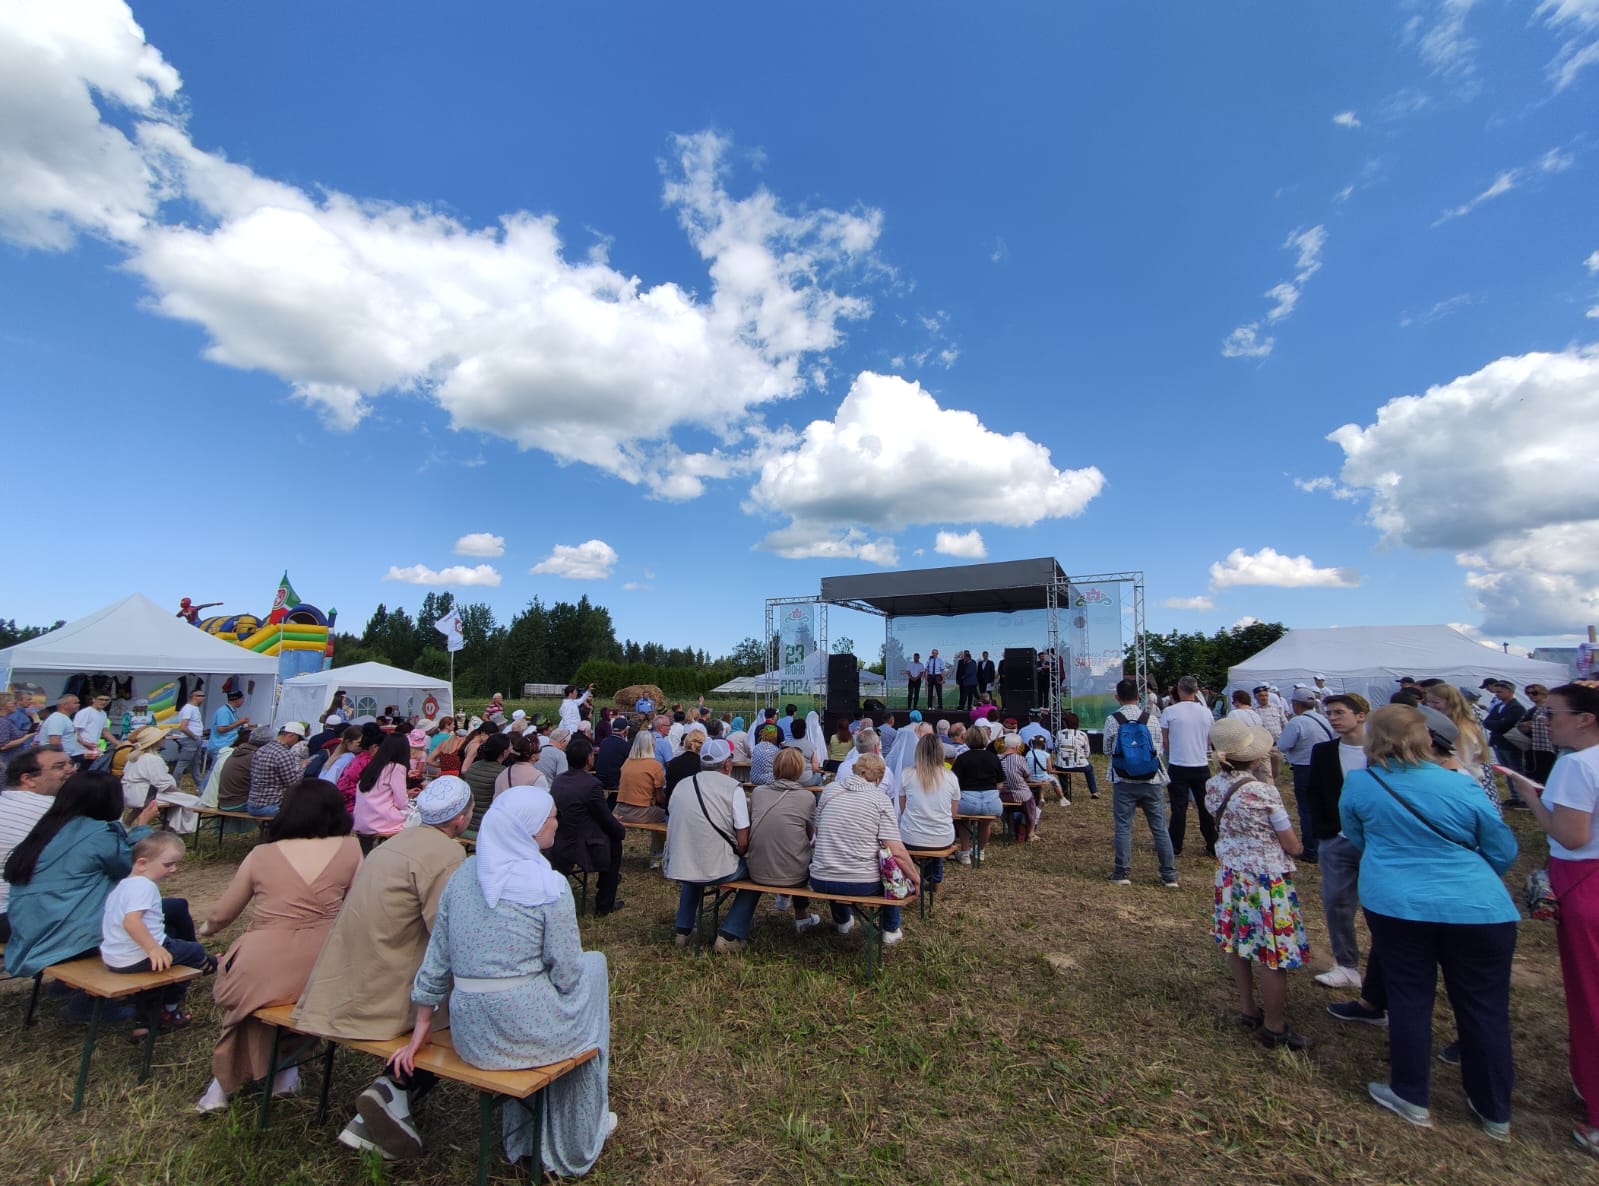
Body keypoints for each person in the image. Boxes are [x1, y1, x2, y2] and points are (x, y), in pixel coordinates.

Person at [391, 786, 614, 1173]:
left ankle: (525, 1134)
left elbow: (437, 958)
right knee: (594, 970)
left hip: (472, 1035)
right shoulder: (549, 887)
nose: (556, 824)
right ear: (528, 830)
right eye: (551, 818)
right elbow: (566, 972)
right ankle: (581, 1125)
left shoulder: (463, 876)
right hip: (527, 1029)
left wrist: (421, 1028)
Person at [1340, 705, 1518, 1136]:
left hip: (1398, 903)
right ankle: (1494, 1108)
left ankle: (1411, 1093)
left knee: (1409, 997)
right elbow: (1502, 848)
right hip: (1477, 906)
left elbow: (1358, 836)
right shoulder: (1462, 784)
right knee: (1485, 1007)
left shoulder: (1362, 784)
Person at [294, 776, 472, 1160]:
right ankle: (395, 1091)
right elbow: (447, 933)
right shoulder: (446, 856)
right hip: (388, 988)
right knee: (468, 1014)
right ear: (460, 820)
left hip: (345, 978)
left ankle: (390, 1097)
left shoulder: (392, 845)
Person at [195, 779, 361, 1113]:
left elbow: (223, 913)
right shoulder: (351, 850)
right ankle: (284, 1070)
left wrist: (207, 927)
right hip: (322, 964)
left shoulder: (262, 854)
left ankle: (223, 1083)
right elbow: (359, 908)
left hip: (262, 959)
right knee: (286, 1000)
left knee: (251, 1002)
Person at [1500, 683, 1599, 1153]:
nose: (1546, 721)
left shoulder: (1577, 765)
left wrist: (1530, 795)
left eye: (1553, 713)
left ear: (1585, 719)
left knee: (1590, 996)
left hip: (1584, 882)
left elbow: (1571, 836)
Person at [1205, 719, 1310, 1050]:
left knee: (1237, 941)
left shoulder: (1214, 787)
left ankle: (1248, 1008)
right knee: (1273, 951)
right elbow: (1292, 844)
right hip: (1266, 880)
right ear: (1254, 756)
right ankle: (1274, 1025)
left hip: (1230, 874)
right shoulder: (1264, 793)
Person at [4, 772, 162, 979]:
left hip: (30, 933)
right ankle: (158, 1000)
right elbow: (133, 869)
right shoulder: (97, 833)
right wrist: (141, 828)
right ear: (108, 800)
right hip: (69, 938)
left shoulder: (49, 827)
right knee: (161, 918)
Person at [99, 833, 213, 1031]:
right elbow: (131, 922)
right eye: (168, 865)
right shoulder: (144, 886)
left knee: (171, 956)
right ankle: (170, 1008)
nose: (173, 870)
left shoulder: (122, 886)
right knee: (194, 952)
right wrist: (153, 948)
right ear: (142, 863)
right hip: (137, 956)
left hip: (114, 958)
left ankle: (144, 1019)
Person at [809, 753, 919, 945]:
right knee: (890, 872)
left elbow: (818, 831)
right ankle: (890, 929)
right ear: (879, 778)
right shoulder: (880, 799)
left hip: (821, 878)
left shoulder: (829, 790)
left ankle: (842, 920)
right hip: (862, 882)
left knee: (836, 855)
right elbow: (896, 850)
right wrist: (915, 878)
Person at [665, 739, 751, 950]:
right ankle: (730, 935)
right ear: (727, 764)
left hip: (680, 864)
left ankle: (683, 930)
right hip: (720, 868)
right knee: (758, 877)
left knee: (694, 867)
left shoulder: (681, 786)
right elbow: (742, 841)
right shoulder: (733, 789)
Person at [732, 747, 821, 936]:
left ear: (775, 767)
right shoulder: (807, 797)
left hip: (757, 869)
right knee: (798, 851)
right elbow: (810, 834)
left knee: (786, 844)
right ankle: (801, 916)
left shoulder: (758, 793)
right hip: (794, 874)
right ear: (799, 769)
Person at [1106, 679, 1178, 889]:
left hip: (1123, 779)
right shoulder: (1151, 719)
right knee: (1159, 828)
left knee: (1123, 827)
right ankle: (1169, 875)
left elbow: (1108, 749)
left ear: (1117, 697)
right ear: (1139, 697)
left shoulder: (1113, 719)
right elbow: (1159, 749)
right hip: (1151, 778)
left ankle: (1121, 872)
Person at [0, 749, 76, 942]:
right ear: (28, 779)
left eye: (71, 764)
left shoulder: (5, 802)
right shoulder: (54, 811)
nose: (71, 770)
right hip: (17, 916)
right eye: (59, 766)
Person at [549, 734, 625, 917]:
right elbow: (604, 817)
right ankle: (604, 903)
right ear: (588, 758)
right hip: (581, 844)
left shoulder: (558, 780)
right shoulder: (592, 785)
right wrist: (619, 830)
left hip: (559, 840)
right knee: (615, 844)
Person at [1276, 687, 1335, 863]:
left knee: (1307, 809)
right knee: (1323, 806)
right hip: (1324, 767)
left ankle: (1310, 850)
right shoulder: (1323, 719)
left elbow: (1283, 745)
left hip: (1304, 767)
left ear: (1296, 704)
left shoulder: (1297, 722)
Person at [1161, 676, 1217, 859]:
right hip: (1201, 764)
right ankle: (1212, 842)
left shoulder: (1170, 712)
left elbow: (1166, 739)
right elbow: (1210, 738)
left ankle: (1175, 845)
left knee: (1179, 808)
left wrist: (1175, 751)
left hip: (1178, 764)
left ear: (1179, 689)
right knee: (1205, 807)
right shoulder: (1206, 712)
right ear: (1196, 690)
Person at [898, 733, 959, 891]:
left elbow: (903, 808)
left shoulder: (906, 774)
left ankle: (908, 878)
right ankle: (934, 879)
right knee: (935, 839)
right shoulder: (951, 777)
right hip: (942, 837)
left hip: (910, 836)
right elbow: (953, 814)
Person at [951, 725, 1004, 866]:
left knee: (963, 821)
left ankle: (965, 852)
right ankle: (980, 851)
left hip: (968, 801)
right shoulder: (994, 758)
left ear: (967, 739)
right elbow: (1000, 784)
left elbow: (954, 783)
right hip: (991, 801)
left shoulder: (962, 759)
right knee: (986, 822)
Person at [614, 727, 667, 866]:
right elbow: (660, 798)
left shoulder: (627, 763)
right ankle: (657, 855)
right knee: (667, 817)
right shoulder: (655, 765)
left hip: (621, 810)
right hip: (641, 812)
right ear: (652, 745)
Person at [355, 733, 412, 854]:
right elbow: (401, 802)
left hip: (360, 821)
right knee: (415, 822)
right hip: (381, 821)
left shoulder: (373, 765)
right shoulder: (396, 768)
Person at [248, 722, 305, 818]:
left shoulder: (261, 749)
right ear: (291, 735)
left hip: (252, 805)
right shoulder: (284, 753)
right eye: (298, 739)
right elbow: (293, 783)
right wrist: (302, 767)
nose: (297, 742)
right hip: (272, 806)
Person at [1482, 680, 1527, 803]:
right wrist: (1497, 723)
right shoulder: (1498, 706)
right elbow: (1487, 722)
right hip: (1499, 742)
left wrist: (1496, 723)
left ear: (1510, 691)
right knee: (1507, 771)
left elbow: (1505, 724)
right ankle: (1515, 796)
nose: (1497, 694)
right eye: (1496, 692)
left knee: (1516, 771)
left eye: (1500, 692)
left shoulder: (1516, 708)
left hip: (1510, 744)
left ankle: (1522, 798)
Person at [464, 733, 512, 830]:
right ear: (504, 752)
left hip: (466, 821)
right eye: (510, 746)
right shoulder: (503, 772)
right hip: (484, 824)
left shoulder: (474, 766)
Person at [999, 734, 1040, 842]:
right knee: (1031, 802)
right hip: (1019, 795)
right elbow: (1028, 776)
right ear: (1017, 746)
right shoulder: (1020, 759)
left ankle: (1011, 831)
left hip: (1002, 795)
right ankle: (1031, 832)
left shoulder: (998, 758)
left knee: (1009, 809)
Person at [1515, 683, 1558, 785]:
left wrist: (1531, 724)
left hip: (1547, 747)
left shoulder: (1548, 708)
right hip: (1532, 747)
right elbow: (1518, 724)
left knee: (1546, 775)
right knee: (1533, 774)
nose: (1531, 696)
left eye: (1534, 693)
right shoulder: (1532, 709)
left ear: (1543, 693)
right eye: (1528, 693)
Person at [1052, 711, 1098, 802]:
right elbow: (1087, 752)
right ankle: (1094, 792)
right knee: (1089, 769)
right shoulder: (1082, 734)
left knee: (1060, 767)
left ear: (1066, 723)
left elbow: (1056, 748)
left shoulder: (1060, 733)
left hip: (1063, 766)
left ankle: (1065, 791)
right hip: (1081, 765)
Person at [171, 688, 207, 787]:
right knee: (183, 763)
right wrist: (194, 736)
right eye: (201, 696)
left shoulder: (194, 708)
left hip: (195, 738)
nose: (203, 698)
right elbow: (183, 727)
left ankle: (200, 784)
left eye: (203, 696)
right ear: (194, 697)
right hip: (190, 739)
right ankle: (174, 785)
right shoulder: (188, 708)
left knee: (196, 763)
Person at [493, 733, 547, 797]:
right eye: (540, 749)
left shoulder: (503, 774)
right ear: (533, 756)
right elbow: (543, 803)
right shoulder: (538, 777)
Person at [37, 693, 82, 761]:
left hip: (68, 756)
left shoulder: (64, 718)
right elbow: (55, 743)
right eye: (76, 703)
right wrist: (62, 759)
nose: (78, 705)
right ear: (64, 705)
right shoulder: (57, 719)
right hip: (59, 758)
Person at [594, 717, 630, 802]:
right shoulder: (624, 745)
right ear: (625, 730)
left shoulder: (604, 742)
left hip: (600, 779)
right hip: (614, 782)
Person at [208, 689, 250, 759]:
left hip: (227, 745)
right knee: (217, 769)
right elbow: (221, 729)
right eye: (242, 699)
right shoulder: (224, 711)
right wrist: (239, 722)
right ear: (237, 699)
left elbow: (232, 725)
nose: (243, 701)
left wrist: (247, 725)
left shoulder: (231, 711)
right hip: (221, 746)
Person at [73, 692, 117, 759]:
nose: (103, 702)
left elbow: (105, 732)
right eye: (101, 699)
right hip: (80, 749)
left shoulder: (103, 714)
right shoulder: (85, 712)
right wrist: (84, 743)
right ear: (93, 699)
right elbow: (75, 731)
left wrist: (119, 744)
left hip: (93, 749)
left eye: (106, 700)